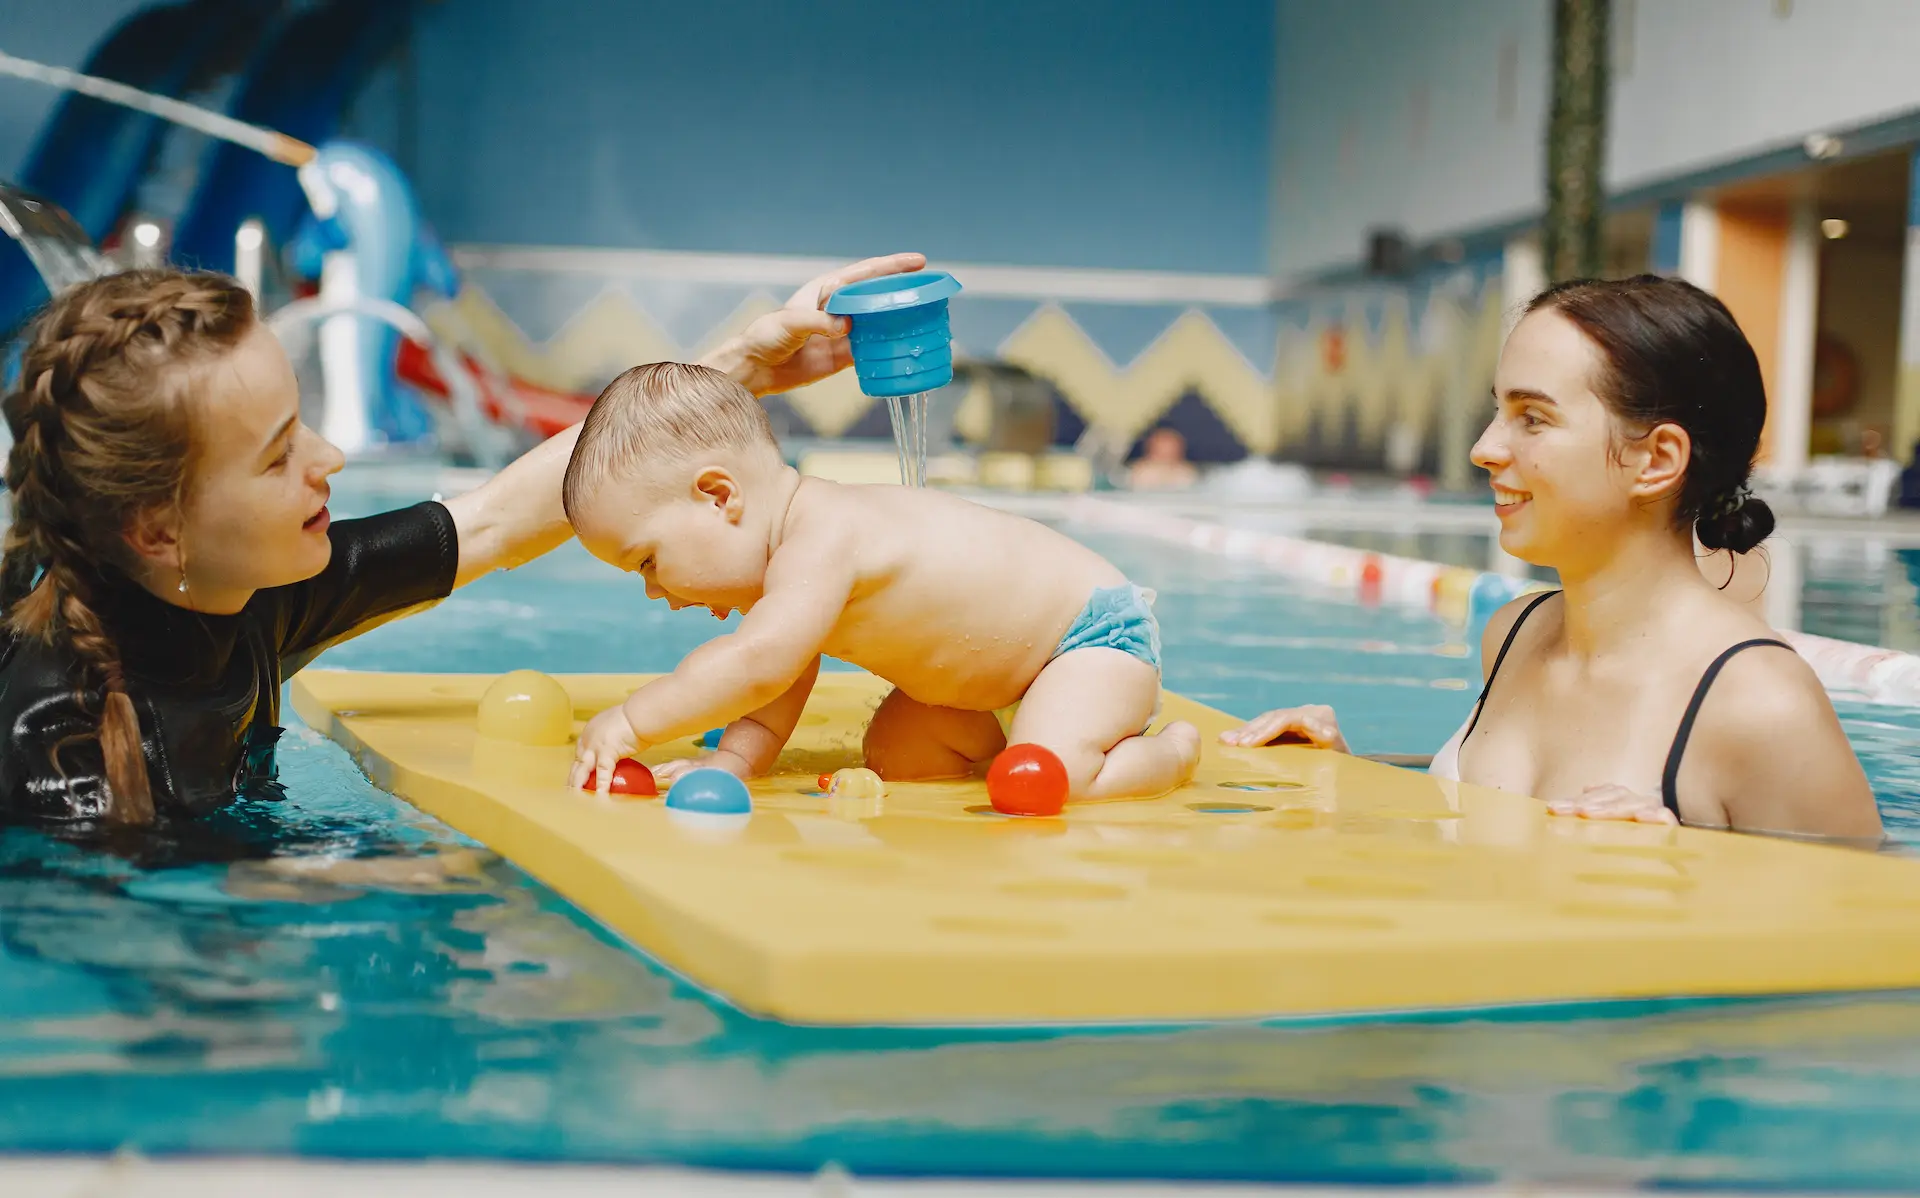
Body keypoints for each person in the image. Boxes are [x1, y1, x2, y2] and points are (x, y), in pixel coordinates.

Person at [0, 252, 926, 825]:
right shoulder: (57, 739)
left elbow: (491, 520)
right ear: (157, 530)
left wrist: (733, 372)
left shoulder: (244, 597)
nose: (331, 459)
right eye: (281, 457)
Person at [1222, 275, 1882, 842]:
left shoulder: (1760, 706)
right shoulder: (1515, 632)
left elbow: (1870, 947)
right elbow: (1476, 859)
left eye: (1532, 419)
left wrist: (1690, 878)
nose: (1484, 448)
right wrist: (1342, 779)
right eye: (1498, 412)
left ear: (1656, 460)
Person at [563, 362, 1201, 802]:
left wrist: (633, 721)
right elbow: (781, 681)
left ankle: (1170, 756)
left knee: (1054, 775)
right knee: (900, 759)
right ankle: (1010, 742)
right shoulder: (791, 566)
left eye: (647, 560)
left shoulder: (825, 533)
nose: (652, 589)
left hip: (1088, 639)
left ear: (718, 496)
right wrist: (733, 762)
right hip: (992, 680)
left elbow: (757, 664)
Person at [1127, 427, 1198, 491]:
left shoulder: (1187, 474)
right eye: (1162, 448)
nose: (1166, 453)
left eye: (1171, 449)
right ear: (1151, 450)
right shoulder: (1140, 473)